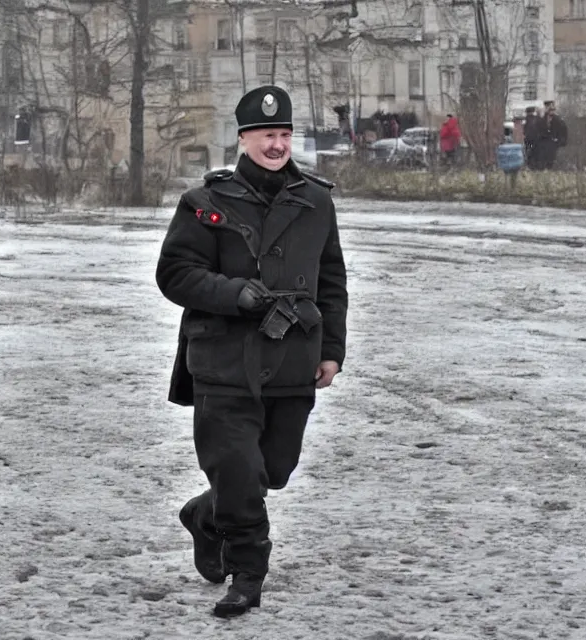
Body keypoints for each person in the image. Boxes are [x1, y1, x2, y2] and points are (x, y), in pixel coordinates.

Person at [155, 85, 349, 618]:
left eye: (285, 134)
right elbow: (174, 274)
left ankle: (205, 515)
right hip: (224, 359)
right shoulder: (206, 202)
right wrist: (233, 293)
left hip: (293, 355)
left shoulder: (315, 200)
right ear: (243, 139)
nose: (277, 144)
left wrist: (332, 349)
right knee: (238, 470)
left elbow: (331, 279)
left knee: (274, 469)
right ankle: (248, 573)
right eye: (267, 134)